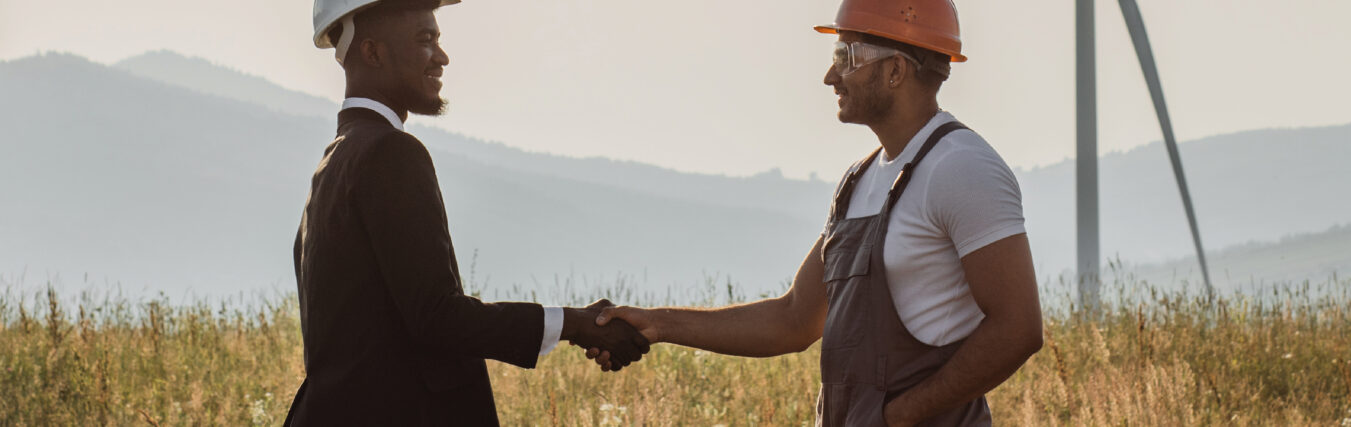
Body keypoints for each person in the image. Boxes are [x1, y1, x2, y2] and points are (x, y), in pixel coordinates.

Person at [589, 0, 1043, 425]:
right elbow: (793, 318)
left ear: (895, 70)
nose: (831, 76)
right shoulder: (857, 180)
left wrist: (898, 416)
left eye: (846, 56)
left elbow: (1018, 328)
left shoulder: (961, 167)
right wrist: (658, 324)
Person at [287, 0, 648, 424]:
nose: (441, 57)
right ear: (372, 52)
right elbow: (437, 317)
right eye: (425, 40)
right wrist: (575, 323)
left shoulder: (334, 161)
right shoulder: (390, 152)